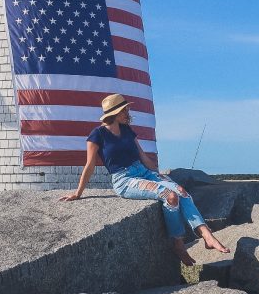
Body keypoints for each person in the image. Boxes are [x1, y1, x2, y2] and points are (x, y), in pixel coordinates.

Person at [61, 93, 229, 265]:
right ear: (115, 113)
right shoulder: (97, 135)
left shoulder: (126, 129)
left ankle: (207, 235)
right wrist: (78, 192)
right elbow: (89, 165)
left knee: (180, 191)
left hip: (143, 171)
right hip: (124, 179)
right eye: (125, 110)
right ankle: (178, 244)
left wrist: (159, 174)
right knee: (170, 196)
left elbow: (142, 156)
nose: (128, 112)